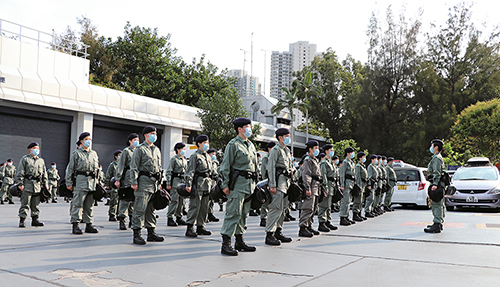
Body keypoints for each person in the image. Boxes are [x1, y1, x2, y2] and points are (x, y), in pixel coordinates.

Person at [219, 118, 258, 256]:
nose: (249, 129)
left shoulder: (251, 145)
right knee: (233, 213)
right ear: (239, 129)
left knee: (243, 214)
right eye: (247, 126)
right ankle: (226, 243)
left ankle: (239, 241)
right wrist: (225, 185)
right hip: (237, 185)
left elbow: (254, 166)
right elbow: (225, 166)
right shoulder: (233, 144)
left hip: (249, 185)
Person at [129, 126, 164, 244]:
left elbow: (159, 168)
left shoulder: (157, 149)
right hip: (143, 182)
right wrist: (133, 182)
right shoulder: (139, 149)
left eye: (156, 133)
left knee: (151, 209)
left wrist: (160, 183)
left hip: (154, 183)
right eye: (152, 133)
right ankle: (137, 234)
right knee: (139, 208)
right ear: (146, 135)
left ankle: (151, 232)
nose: (155, 135)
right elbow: (133, 167)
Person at [264, 128, 294, 245]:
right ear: (280, 137)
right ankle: (269, 234)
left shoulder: (286, 150)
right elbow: (270, 167)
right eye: (286, 136)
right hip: (278, 183)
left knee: (283, 208)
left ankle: (278, 231)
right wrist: (272, 184)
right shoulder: (276, 150)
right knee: (275, 208)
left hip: (286, 183)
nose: (288, 138)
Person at [66, 132, 100, 234]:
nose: (88, 141)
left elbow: (97, 170)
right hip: (80, 181)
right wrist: (69, 182)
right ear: (81, 141)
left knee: (89, 205)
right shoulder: (76, 153)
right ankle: (75, 225)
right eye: (86, 139)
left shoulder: (94, 153)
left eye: (90, 139)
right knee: (78, 204)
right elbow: (70, 169)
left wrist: (97, 182)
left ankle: (89, 225)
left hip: (92, 183)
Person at [184, 135, 216, 237]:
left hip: (207, 185)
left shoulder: (207, 156)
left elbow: (212, 171)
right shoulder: (195, 156)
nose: (207, 145)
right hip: (198, 184)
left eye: (207, 142)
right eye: (204, 143)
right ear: (199, 144)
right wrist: (188, 184)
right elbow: (190, 171)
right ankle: (189, 227)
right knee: (195, 206)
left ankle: (200, 226)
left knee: (204, 207)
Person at [17, 142, 48, 227]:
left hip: (37, 185)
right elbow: (21, 171)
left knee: (35, 204)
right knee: (25, 203)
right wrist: (20, 183)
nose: (36, 150)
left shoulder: (41, 160)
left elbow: (44, 173)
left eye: (37, 149)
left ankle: (35, 220)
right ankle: (22, 220)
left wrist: (46, 184)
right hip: (27, 184)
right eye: (34, 148)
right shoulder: (25, 159)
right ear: (30, 149)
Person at [115, 133, 139, 230]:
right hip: (128, 177)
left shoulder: (139, 150)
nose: (137, 141)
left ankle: (132, 219)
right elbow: (120, 165)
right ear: (130, 141)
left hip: (137, 177)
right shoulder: (126, 151)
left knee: (134, 200)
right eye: (135, 139)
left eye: (138, 139)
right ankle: (122, 220)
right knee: (125, 200)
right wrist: (118, 178)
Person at [299, 140, 322, 237]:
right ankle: (303, 227)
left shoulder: (314, 159)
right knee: (308, 207)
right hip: (311, 186)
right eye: (315, 148)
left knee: (314, 207)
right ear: (310, 149)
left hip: (316, 186)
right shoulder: (308, 160)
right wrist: (307, 188)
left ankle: (309, 225)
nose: (317, 150)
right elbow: (306, 174)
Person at [424, 139, 446, 233]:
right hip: (439, 183)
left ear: (436, 147)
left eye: (432, 146)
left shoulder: (436, 158)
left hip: (437, 183)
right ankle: (438, 223)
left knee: (436, 204)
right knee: (439, 204)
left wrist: (435, 184)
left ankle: (437, 224)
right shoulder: (437, 157)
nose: (431, 148)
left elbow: (436, 172)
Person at [165, 142, 188, 227]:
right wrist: (168, 183)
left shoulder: (185, 159)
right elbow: (169, 172)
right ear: (178, 150)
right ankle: (170, 218)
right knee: (174, 200)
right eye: (182, 149)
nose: (184, 150)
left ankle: (179, 217)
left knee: (182, 201)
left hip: (183, 181)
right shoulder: (174, 159)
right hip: (176, 181)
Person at [318, 144, 338, 232]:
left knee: (329, 205)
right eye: (330, 150)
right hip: (327, 185)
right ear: (326, 151)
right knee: (324, 205)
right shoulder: (324, 162)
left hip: (332, 185)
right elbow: (323, 175)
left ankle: (328, 221)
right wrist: (325, 187)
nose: (332, 152)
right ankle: (321, 223)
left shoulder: (330, 162)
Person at [259, 141, 275, 227]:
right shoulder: (266, 158)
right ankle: (263, 218)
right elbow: (264, 170)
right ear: (269, 149)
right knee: (266, 200)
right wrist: (265, 181)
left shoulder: (274, 157)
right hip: (267, 181)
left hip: (274, 181)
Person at [339, 147, 356, 226]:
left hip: (351, 184)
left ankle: (346, 217)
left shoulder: (351, 162)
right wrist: (342, 185)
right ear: (348, 153)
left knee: (349, 201)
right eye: (352, 152)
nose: (353, 154)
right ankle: (342, 217)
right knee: (345, 201)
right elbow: (342, 174)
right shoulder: (345, 162)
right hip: (346, 184)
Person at [105, 150, 121, 221]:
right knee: (114, 201)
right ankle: (112, 214)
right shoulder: (113, 165)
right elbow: (108, 175)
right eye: (119, 155)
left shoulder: (123, 164)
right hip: (114, 185)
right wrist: (107, 184)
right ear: (116, 156)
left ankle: (119, 214)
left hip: (122, 185)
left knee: (121, 201)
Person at [353, 152, 368, 222]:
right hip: (360, 185)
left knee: (361, 200)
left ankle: (359, 213)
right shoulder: (358, 166)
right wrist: (359, 186)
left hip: (363, 184)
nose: (364, 158)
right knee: (357, 200)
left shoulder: (363, 166)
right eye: (363, 157)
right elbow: (357, 176)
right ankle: (355, 214)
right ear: (360, 158)